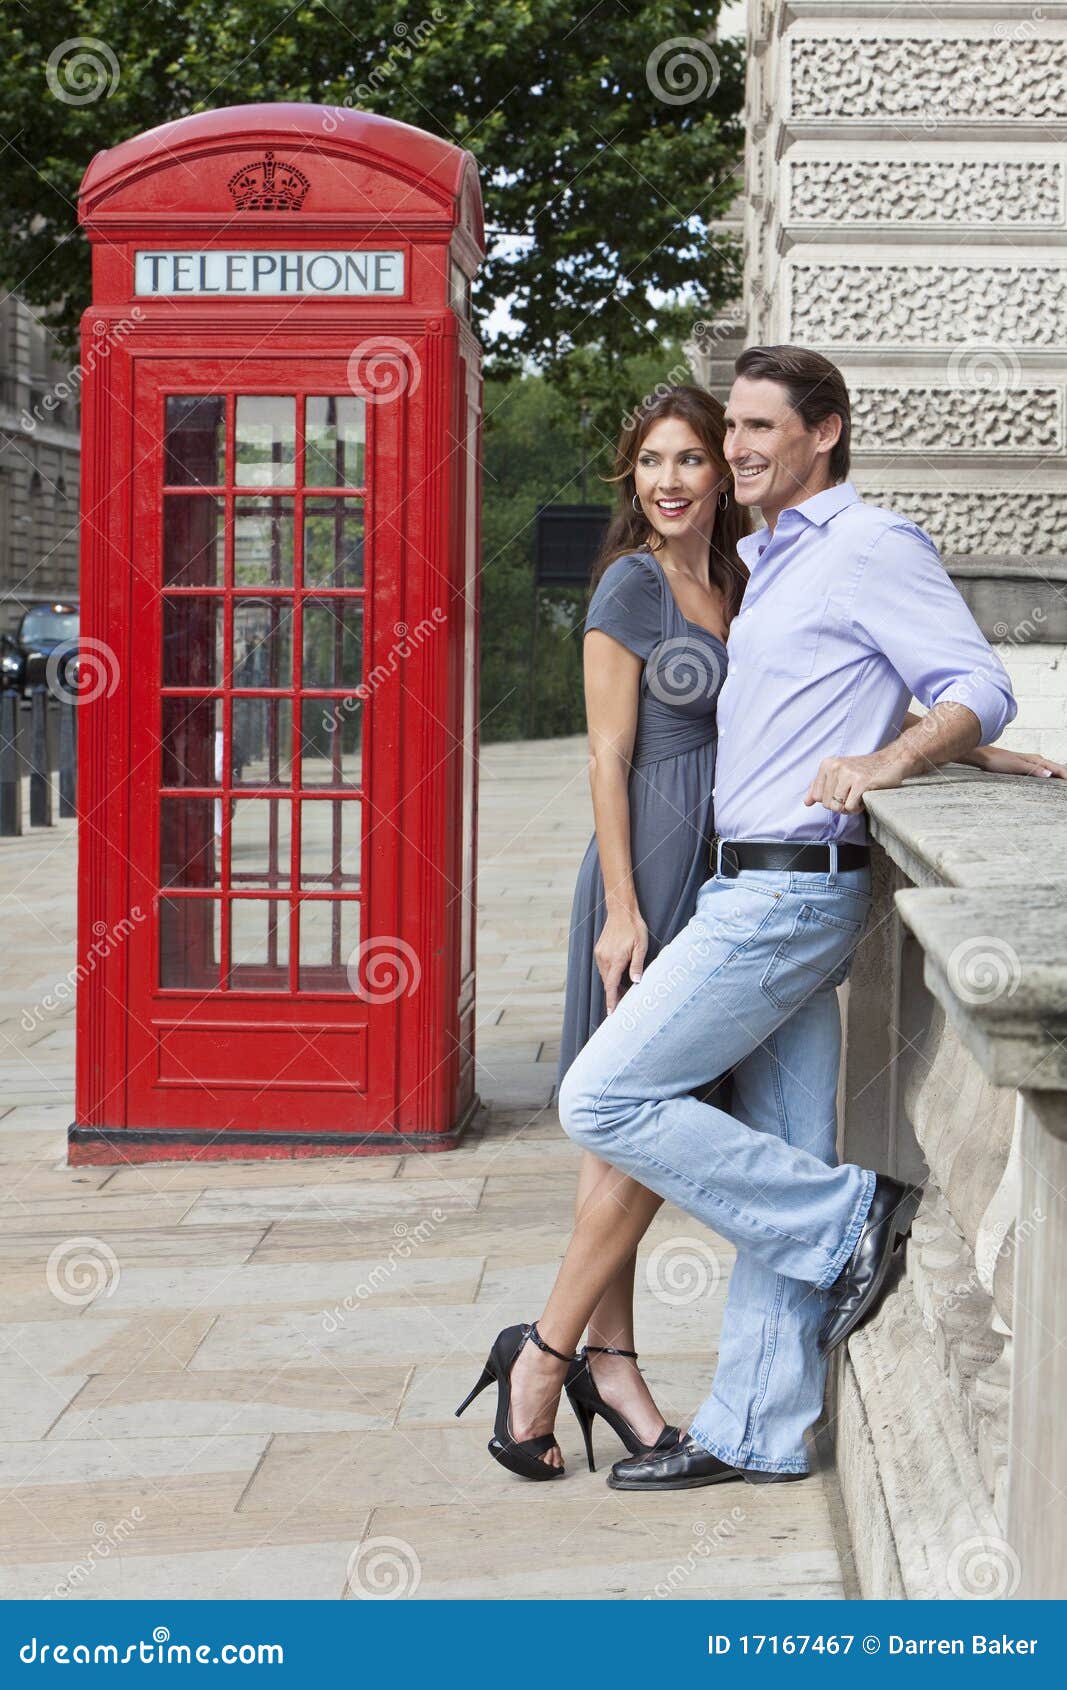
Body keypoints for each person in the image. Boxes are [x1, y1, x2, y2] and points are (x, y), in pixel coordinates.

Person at [458, 350, 1065, 1485]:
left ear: (822, 432)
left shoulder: (868, 543)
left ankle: (847, 1223)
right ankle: (758, 1427)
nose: (732, 449)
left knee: (603, 1094)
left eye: (749, 428)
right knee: (786, 1141)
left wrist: (910, 751)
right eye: (719, 429)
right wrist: (954, 746)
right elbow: (801, 701)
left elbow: (969, 677)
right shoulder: (767, 563)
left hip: (785, 887)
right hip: (731, 876)